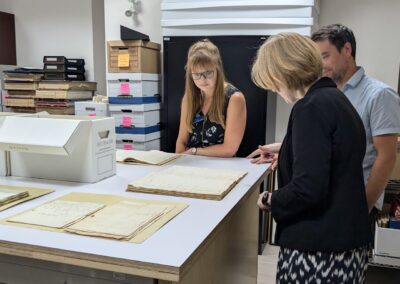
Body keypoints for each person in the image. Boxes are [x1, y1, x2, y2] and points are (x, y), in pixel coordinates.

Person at [252, 32, 371, 283]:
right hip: (345, 244)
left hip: (319, 251)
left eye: (272, 81)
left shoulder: (310, 108)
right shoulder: (334, 99)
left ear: (283, 72)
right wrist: (286, 149)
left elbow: (308, 188)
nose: (274, 88)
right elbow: (333, 155)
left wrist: (268, 198)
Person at [311, 24, 400, 213]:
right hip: (328, 200)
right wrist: (281, 147)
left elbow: (387, 156)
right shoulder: (330, 93)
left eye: (325, 56)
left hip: (355, 203)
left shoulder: (380, 95)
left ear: (347, 49)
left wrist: (363, 207)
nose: (321, 65)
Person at [175, 39, 246, 157]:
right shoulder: (189, 98)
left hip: (221, 166)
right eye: (196, 74)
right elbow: (181, 141)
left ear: (218, 69)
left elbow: (229, 150)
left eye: (208, 73)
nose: (202, 80)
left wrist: (194, 151)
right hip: (190, 163)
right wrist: (178, 161)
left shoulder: (234, 99)